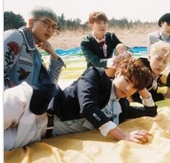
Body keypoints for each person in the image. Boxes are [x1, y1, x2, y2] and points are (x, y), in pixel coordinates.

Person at [4, 55, 155, 151]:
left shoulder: (122, 108)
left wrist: (142, 87)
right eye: (127, 80)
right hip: (29, 103)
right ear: (117, 73)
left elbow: (150, 112)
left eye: (134, 87)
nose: (127, 88)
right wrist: (123, 135)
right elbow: (88, 107)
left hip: (36, 132)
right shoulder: (96, 75)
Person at [4, 6, 65, 89]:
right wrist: (17, 96)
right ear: (31, 22)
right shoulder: (16, 37)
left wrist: (54, 56)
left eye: (54, 26)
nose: (50, 30)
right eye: (46, 23)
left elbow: (49, 86)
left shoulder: (35, 53)